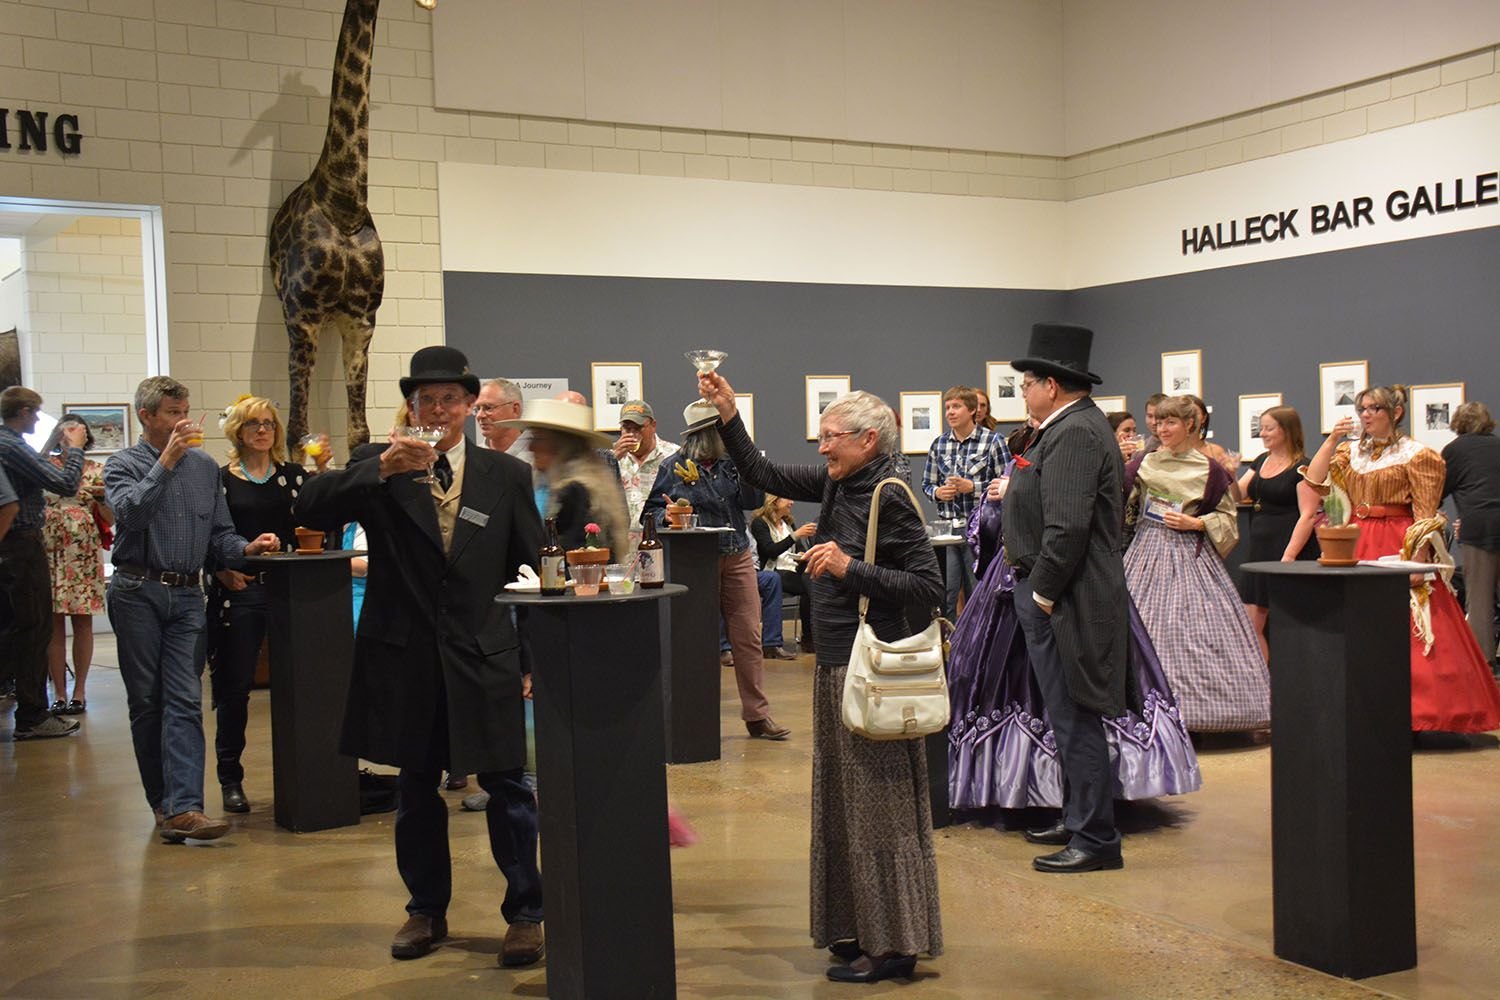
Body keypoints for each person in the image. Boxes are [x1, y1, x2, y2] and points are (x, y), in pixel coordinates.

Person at [295, 346, 546, 965]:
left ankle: (526, 913)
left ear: (469, 408)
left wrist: (532, 657)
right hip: (403, 656)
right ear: (411, 407)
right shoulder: (378, 467)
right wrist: (378, 469)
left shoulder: (504, 476)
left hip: (483, 650)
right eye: (426, 400)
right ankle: (425, 911)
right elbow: (308, 508)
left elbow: (533, 566)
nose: (438, 410)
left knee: (508, 785)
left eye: (450, 399)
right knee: (415, 788)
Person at [698, 371, 943, 984]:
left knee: (878, 808)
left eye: (832, 437)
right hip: (838, 664)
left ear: (869, 440)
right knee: (847, 804)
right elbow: (762, 473)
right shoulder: (840, 483)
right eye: (822, 437)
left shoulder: (888, 494)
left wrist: (849, 567)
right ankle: (859, 928)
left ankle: (895, 947)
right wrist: (727, 411)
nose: (822, 448)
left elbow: (929, 587)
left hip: (871, 667)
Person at [947, 423, 1201, 811]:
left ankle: (1083, 806)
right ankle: (1078, 802)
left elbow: (997, 531)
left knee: (1068, 683)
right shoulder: (1063, 454)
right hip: (1030, 575)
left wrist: (1000, 501)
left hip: (1049, 579)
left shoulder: (1046, 464)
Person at [104, 377, 281, 841]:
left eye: (185, 410)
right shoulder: (123, 464)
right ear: (146, 416)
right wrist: (167, 461)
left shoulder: (205, 469)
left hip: (187, 596)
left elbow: (220, 536)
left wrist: (249, 548)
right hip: (137, 590)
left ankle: (186, 808)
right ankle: (162, 803)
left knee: (185, 699)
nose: (183, 420)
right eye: (171, 412)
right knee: (147, 702)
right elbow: (131, 515)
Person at [1001, 324, 1130, 874]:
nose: (1022, 393)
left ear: (1051, 385)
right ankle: (1079, 813)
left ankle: (1096, 838)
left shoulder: (1074, 432)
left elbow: (1069, 527)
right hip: (1059, 591)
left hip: (1067, 595)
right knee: (1064, 713)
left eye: (1026, 383)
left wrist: (1044, 593)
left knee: (1077, 717)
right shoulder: (1067, 427)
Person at [1305, 385, 1500, 732]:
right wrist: (1332, 440)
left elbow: (1425, 512)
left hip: (1398, 539)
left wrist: (1418, 560)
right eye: (1362, 408)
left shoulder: (1417, 455)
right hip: (1357, 539)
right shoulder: (1351, 454)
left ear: (1394, 413)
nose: (1366, 415)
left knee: (1412, 621)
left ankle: (1418, 712)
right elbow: (1316, 480)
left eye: (1374, 408)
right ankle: (1357, 704)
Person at [205, 397, 327, 815]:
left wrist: (324, 470)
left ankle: (308, 772)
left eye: (269, 424)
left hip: (290, 589)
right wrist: (221, 570)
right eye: (253, 424)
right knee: (235, 688)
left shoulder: (293, 477)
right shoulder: (220, 480)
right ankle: (230, 778)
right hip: (242, 590)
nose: (263, 430)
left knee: (302, 683)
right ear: (238, 431)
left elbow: (324, 515)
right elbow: (206, 534)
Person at [643, 401, 787, 740]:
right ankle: (693, 715)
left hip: (736, 556)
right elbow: (648, 514)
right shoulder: (673, 467)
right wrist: (668, 515)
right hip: (695, 562)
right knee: (694, 639)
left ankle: (757, 715)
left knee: (748, 636)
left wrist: (746, 465)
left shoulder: (731, 464)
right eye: (720, 431)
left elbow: (752, 503)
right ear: (705, 435)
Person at [1125, 396, 1269, 732]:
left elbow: (1227, 518)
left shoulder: (1208, 469)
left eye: (1170, 422)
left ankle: (1197, 713)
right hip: (1147, 551)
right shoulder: (1142, 465)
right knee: (1140, 624)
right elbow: (1127, 512)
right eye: (1159, 423)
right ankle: (1141, 708)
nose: (1163, 429)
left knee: (1194, 630)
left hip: (1191, 554)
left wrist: (1197, 524)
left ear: (1190, 425)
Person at [0, 386, 87, 740]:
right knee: (34, 629)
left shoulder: (8, 445)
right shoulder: (9, 444)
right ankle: (33, 715)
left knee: (16, 627)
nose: (37, 418)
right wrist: (76, 450)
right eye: (34, 413)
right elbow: (65, 483)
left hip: (15, 547)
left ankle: (31, 709)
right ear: (22, 412)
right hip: (21, 546)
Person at [1234, 406, 1321, 661]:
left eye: (1269, 428)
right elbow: (1238, 495)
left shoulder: (1303, 467)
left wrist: (1289, 556)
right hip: (1260, 547)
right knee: (1251, 624)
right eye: (1261, 428)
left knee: (1290, 623)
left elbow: (1307, 515)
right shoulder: (1261, 460)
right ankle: (1262, 688)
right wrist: (1228, 474)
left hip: (1289, 547)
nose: (1263, 433)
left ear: (1286, 430)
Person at [41, 414, 110, 715]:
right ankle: (58, 691)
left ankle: (80, 691)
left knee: (83, 620)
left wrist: (102, 499)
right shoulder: (44, 465)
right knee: (52, 623)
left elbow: (110, 517)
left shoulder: (98, 470)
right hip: (50, 546)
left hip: (82, 548)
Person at [497, 397, 629, 554]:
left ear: (562, 444)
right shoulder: (548, 486)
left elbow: (571, 559)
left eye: (539, 438)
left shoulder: (576, 492)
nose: (531, 447)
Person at [922, 385, 1009, 621]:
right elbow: (927, 485)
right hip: (947, 530)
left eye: (956, 406)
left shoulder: (994, 441)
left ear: (972, 410)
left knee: (978, 588)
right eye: (947, 407)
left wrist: (974, 488)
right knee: (947, 592)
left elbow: (1008, 484)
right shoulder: (938, 445)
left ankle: (977, 644)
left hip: (981, 529)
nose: (950, 412)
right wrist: (939, 492)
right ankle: (948, 643)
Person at [1443, 402, 1500, 668]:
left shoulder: (1454, 451)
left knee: (1480, 597)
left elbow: (1437, 491)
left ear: (1458, 423)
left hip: (1477, 526)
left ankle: (1483, 664)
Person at [752, 495, 817, 654]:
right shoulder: (759, 523)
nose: (792, 502)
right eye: (787, 499)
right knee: (809, 586)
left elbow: (797, 547)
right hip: (772, 571)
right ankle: (809, 637)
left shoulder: (788, 523)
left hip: (792, 569)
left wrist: (803, 554)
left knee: (813, 580)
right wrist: (795, 535)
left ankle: (809, 637)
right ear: (775, 501)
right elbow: (770, 550)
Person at [608, 399, 679, 528]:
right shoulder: (610, 458)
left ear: (653, 425)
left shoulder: (674, 455)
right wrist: (612, 459)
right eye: (627, 428)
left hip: (660, 538)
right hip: (622, 543)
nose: (632, 434)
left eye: (638, 428)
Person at [475, 378, 526, 457]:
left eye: (488, 408)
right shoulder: (471, 459)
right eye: (478, 409)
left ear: (515, 410)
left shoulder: (538, 458)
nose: (479, 415)